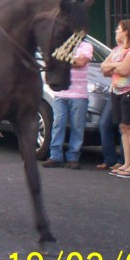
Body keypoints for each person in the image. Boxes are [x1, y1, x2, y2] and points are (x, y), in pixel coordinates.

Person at [101, 19, 130, 179]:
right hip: (117, 92)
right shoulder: (117, 50)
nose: (116, 32)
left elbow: (126, 69)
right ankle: (127, 163)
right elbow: (103, 68)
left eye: (118, 29)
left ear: (126, 31)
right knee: (123, 127)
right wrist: (116, 65)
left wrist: (114, 65)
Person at [41, 38, 94, 169]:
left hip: (79, 93)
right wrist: (70, 60)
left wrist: (62, 60)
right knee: (58, 123)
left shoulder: (87, 46)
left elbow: (81, 62)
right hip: (61, 92)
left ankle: (73, 157)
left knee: (77, 126)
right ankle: (55, 156)